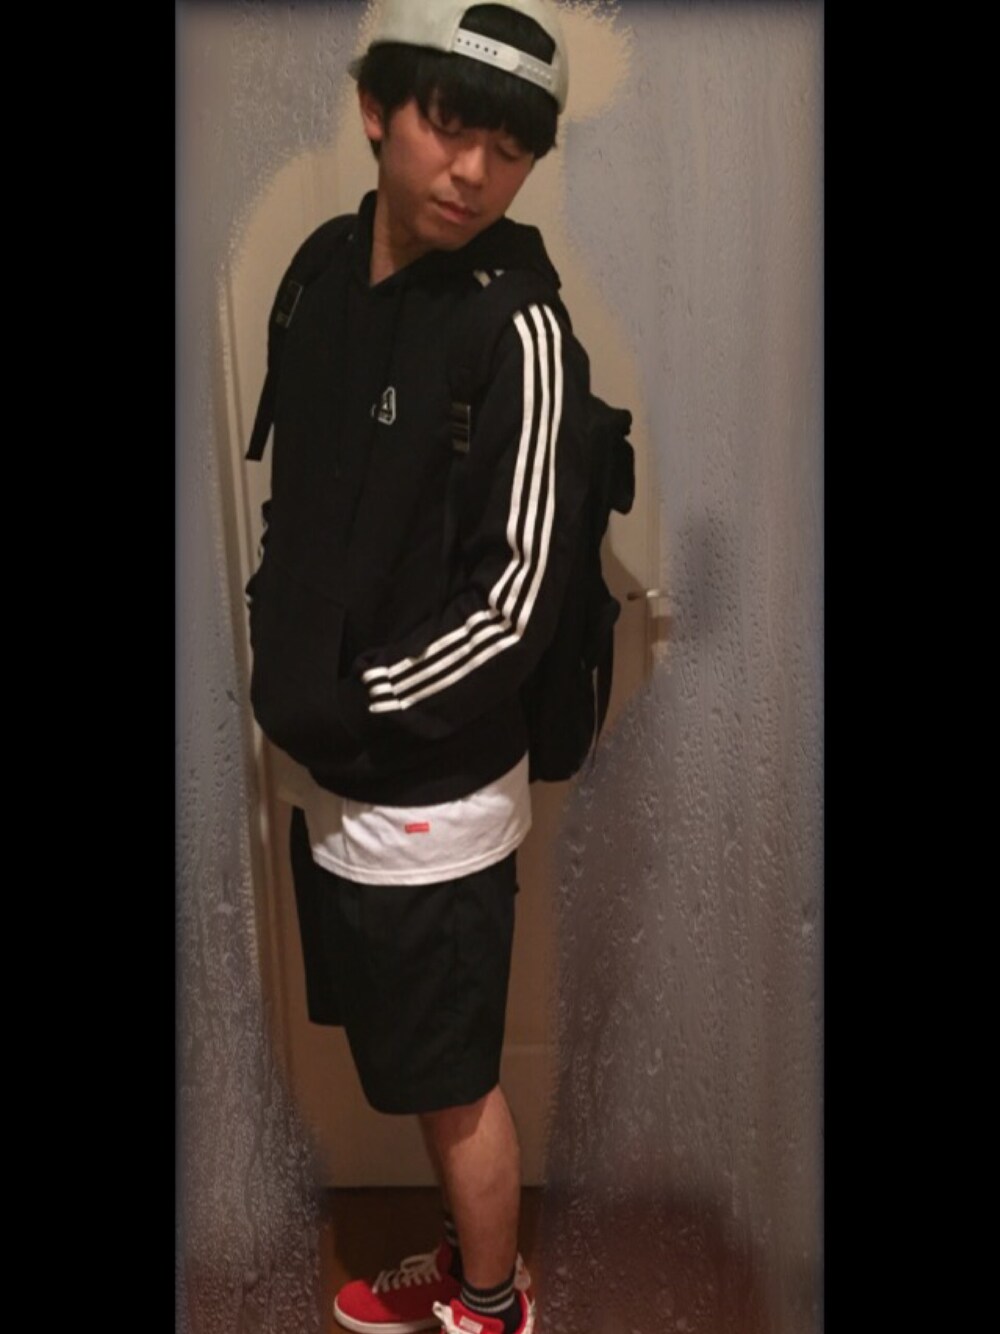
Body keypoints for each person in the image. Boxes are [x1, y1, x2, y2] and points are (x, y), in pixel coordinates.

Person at [245, 4, 586, 1332]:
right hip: (332, 771)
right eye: (451, 125)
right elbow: (299, 500)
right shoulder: (320, 272)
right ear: (378, 109)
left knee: (451, 1083)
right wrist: (285, 643)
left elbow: (518, 605)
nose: (474, 172)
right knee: (408, 1059)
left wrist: (348, 698)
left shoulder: (521, 329)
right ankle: (466, 1260)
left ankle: (491, 1306)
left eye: (511, 149)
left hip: (433, 794)